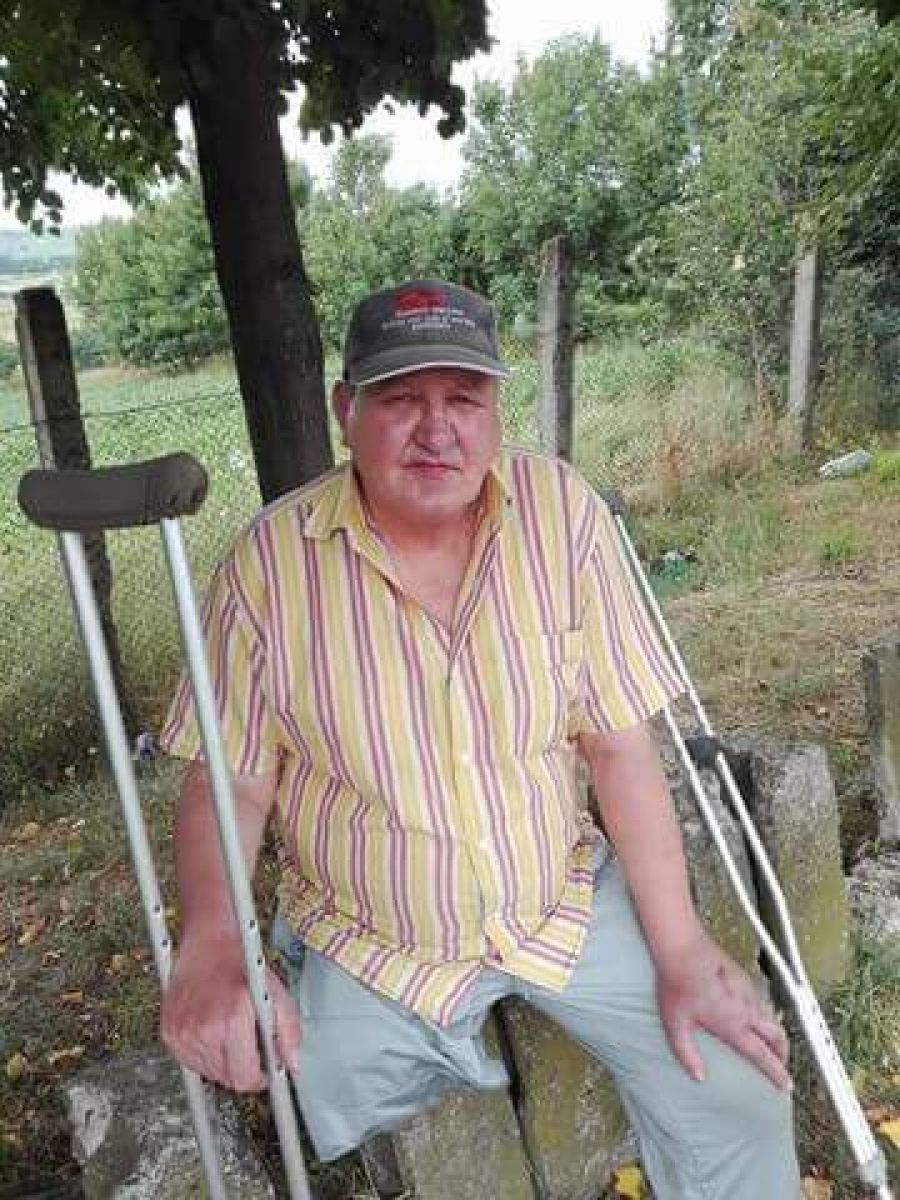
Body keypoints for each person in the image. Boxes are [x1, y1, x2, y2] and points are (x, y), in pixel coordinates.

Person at [159, 279, 801, 1198]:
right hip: (373, 938)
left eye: (464, 399)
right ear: (346, 411)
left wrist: (683, 948)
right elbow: (232, 779)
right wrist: (215, 939)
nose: (437, 430)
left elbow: (617, 746)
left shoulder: (564, 515)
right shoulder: (269, 564)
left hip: (558, 906)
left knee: (736, 1085)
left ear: (497, 410)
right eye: (400, 399)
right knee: (299, 1087)